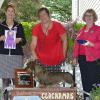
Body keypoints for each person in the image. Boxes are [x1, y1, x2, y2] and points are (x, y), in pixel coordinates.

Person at [0, 3, 26, 100]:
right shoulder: (0, 25)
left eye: (12, 12)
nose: (10, 13)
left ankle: (18, 98)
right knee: (5, 82)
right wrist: (1, 38)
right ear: (5, 13)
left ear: (14, 14)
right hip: (3, 56)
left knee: (17, 82)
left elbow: (24, 41)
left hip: (16, 56)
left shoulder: (19, 25)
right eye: (9, 11)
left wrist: (19, 40)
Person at [73, 9, 100, 100]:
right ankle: (86, 98)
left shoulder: (98, 29)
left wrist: (91, 44)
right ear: (84, 17)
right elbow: (77, 44)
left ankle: (94, 98)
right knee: (85, 81)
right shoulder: (82, 29)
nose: (88, 17)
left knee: (94, 82)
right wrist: (75, 57)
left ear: (94, 18)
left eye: (90, 15)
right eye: (87, 15)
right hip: (82, 59)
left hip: (93, 60)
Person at [31, 7, 67, 72]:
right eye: (40, 15)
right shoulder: (36, 28)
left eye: (44, 14)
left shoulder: (58, 25)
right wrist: (35, 55)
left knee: (55, 81)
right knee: (42, 82)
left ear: (48, 15)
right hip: (41, 60)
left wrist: (63, 55)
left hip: (56, 60)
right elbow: (33, 44)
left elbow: (65, 40)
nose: (42, 17)